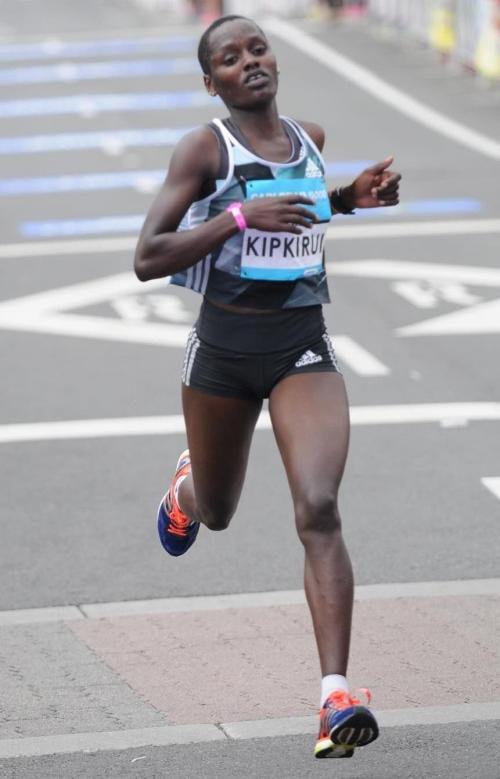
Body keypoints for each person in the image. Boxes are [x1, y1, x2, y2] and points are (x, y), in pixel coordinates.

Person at [135, 14, 400, 760]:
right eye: (230, 57)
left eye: (257, 48)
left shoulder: (309, 138)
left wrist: (347, 199)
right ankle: (188, 488)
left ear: (273, 59)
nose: (249, 61)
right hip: (222, 356)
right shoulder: (205, 149)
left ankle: (334, 696)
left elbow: (300, 213)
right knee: (217, 513)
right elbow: (148, 256)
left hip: (299, 348)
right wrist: (235, 217)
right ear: (211, 81)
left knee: (319, 507)